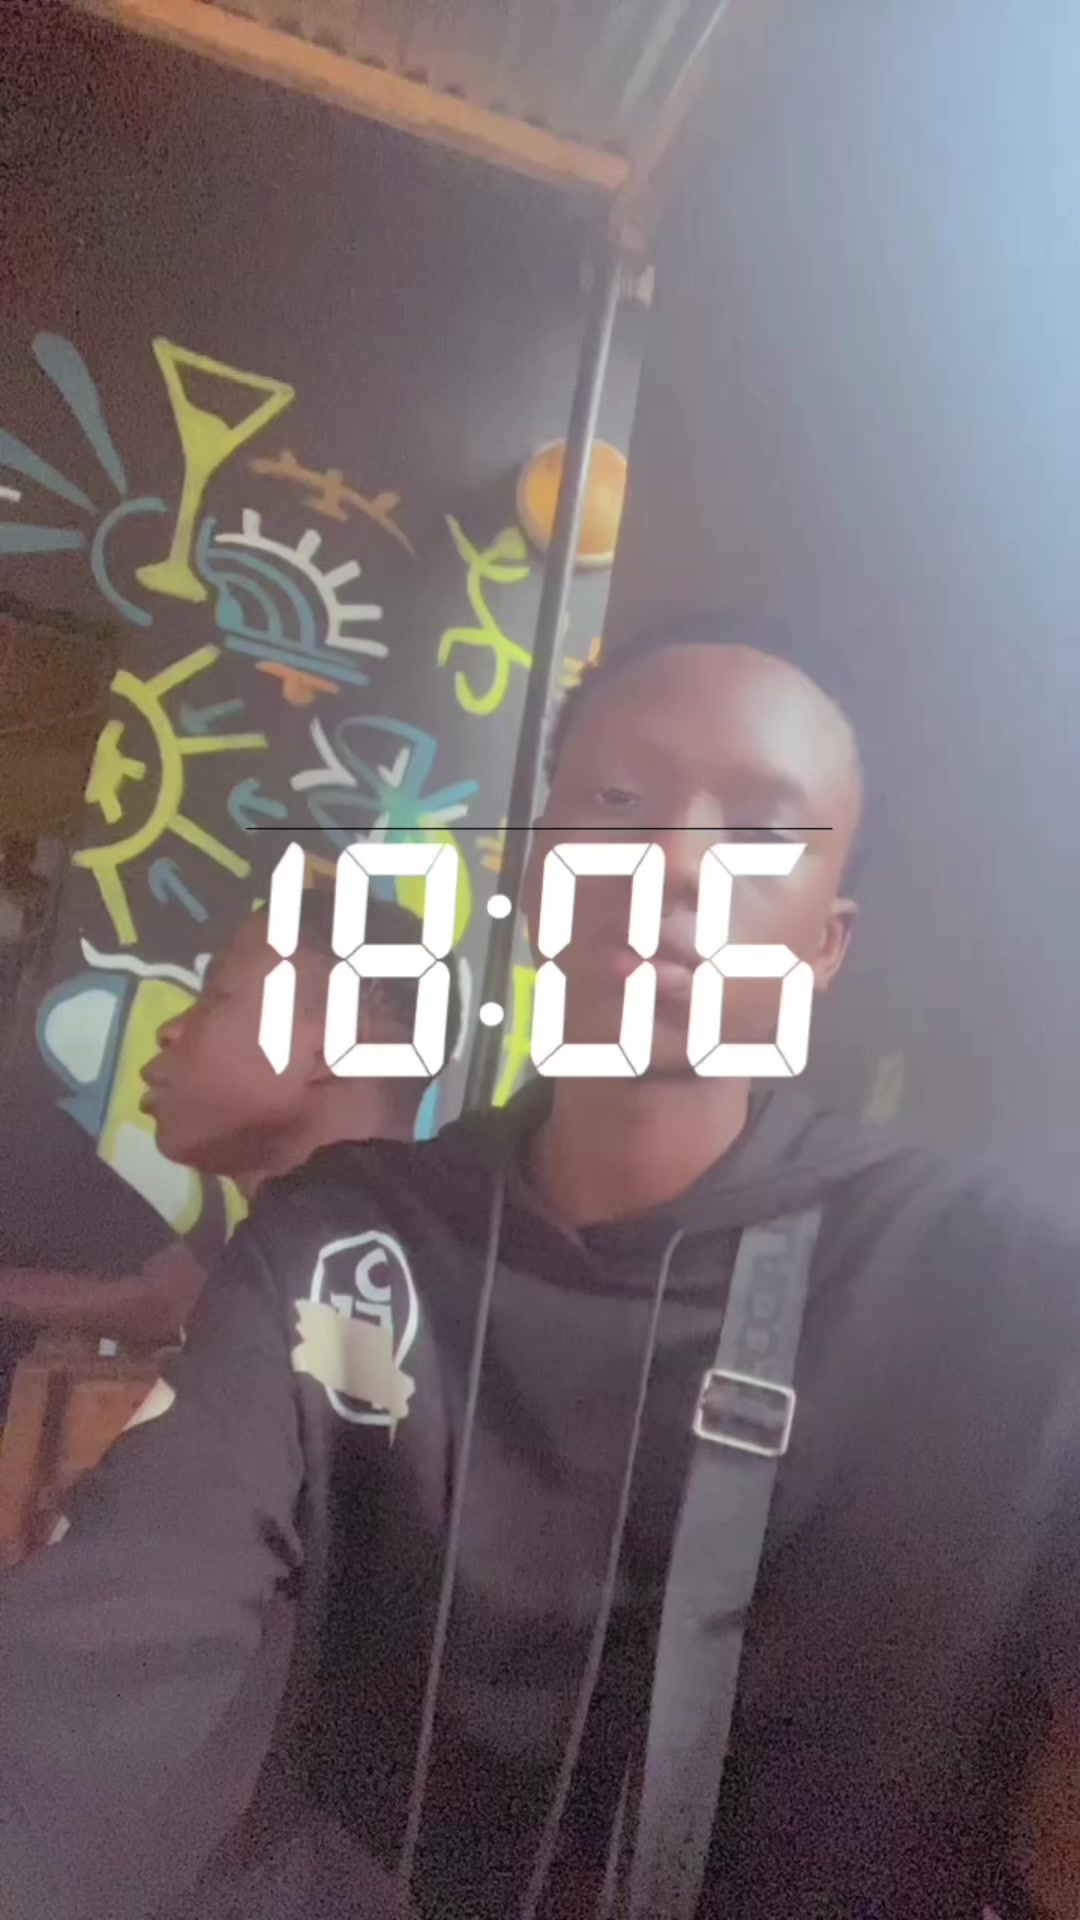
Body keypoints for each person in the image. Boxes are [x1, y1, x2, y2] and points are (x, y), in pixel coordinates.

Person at [1, 613, 1077, 1920]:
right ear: (535, 869)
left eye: (759, 828)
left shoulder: (1001, 1298)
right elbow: (113, 1641)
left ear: (824, 945)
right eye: (617, 801)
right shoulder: (344, 1246)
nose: (675, 862)